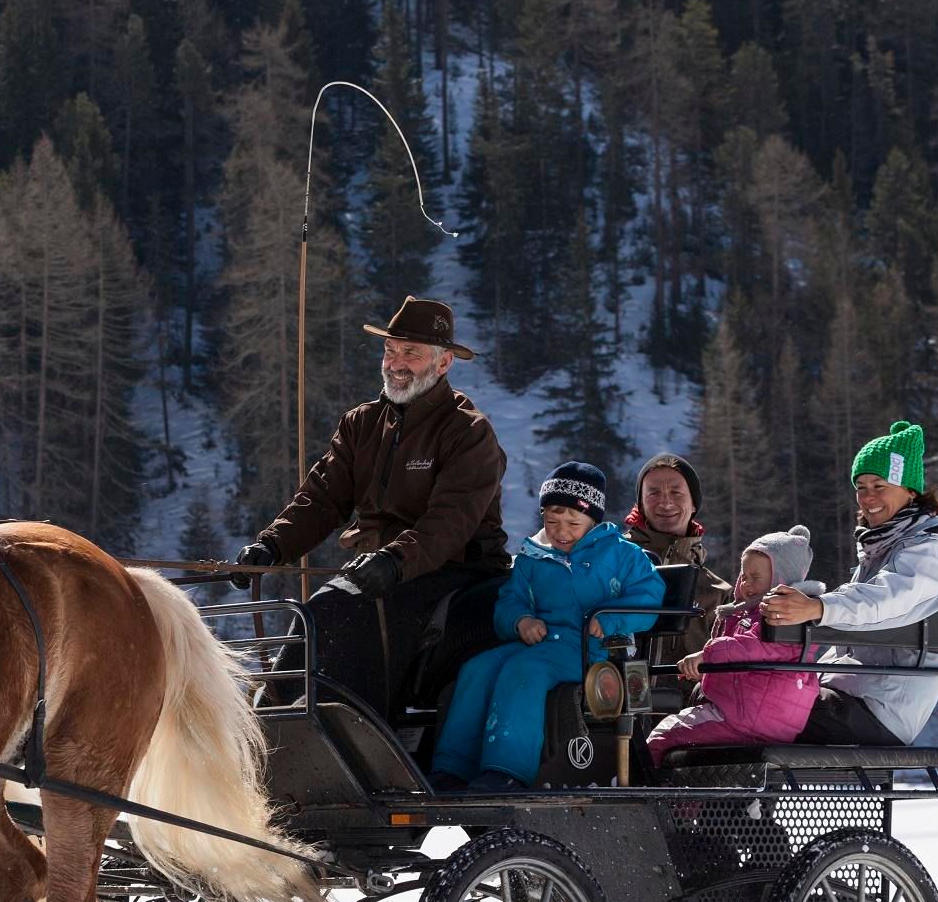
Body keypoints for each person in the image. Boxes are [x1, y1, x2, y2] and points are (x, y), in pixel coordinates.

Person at [231, 296, 510, 714]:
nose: (396, 363)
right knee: (317, 612)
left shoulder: (468, 433)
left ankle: (347, 725)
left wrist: (395, 561)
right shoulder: (361, 423)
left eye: (411, 353)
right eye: (390, 350)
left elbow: (450, 523)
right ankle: (278, 712)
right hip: (375, 568)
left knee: (337, 608)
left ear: (444, 363)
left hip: (454, 571)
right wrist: (272, 546)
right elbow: (322, 498)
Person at [430, 463, 664, 791]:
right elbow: (509, 603)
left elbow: (650, 597)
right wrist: (520, 621)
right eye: (552, 521)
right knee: (477, 668)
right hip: (540, 643)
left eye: (573, 522)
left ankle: (507, 770)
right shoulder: (532, 557)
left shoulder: (622, 555)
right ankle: (452, 768)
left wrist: (611, 619)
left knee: (524, 670)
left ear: (593, 520)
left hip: (592, 649)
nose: (561, 531)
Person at [760, 421, 938, 746]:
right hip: (853, 697)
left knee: (755, 705)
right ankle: (732, 795)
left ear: (910, 490)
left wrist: (818, 608)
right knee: (742, 693)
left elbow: (884, 601)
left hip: (879, 711)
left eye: (879, 485)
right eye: (861, 486)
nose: (867, 497)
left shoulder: (928, 552)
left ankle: (716, 796)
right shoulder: (882, 550)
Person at [643, 525, 824, 756]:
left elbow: (750, 647)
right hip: (758, 713)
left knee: (662, 736)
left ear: (782, 579)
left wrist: (706, 656)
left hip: (749, 716)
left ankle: (647, 788)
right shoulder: (751, 614)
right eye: (744, 576)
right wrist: (709, 670)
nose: (747, 584)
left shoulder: (783, 615)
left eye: (756, 577)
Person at [620, 452, 732, 661]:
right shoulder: (611, 561)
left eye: (676, 493)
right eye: (653, 493)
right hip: (613, 691)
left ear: (694, 504)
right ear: (640, 505)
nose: (665, 503)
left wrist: (813, 607)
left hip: (687, 694)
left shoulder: (717, 592)